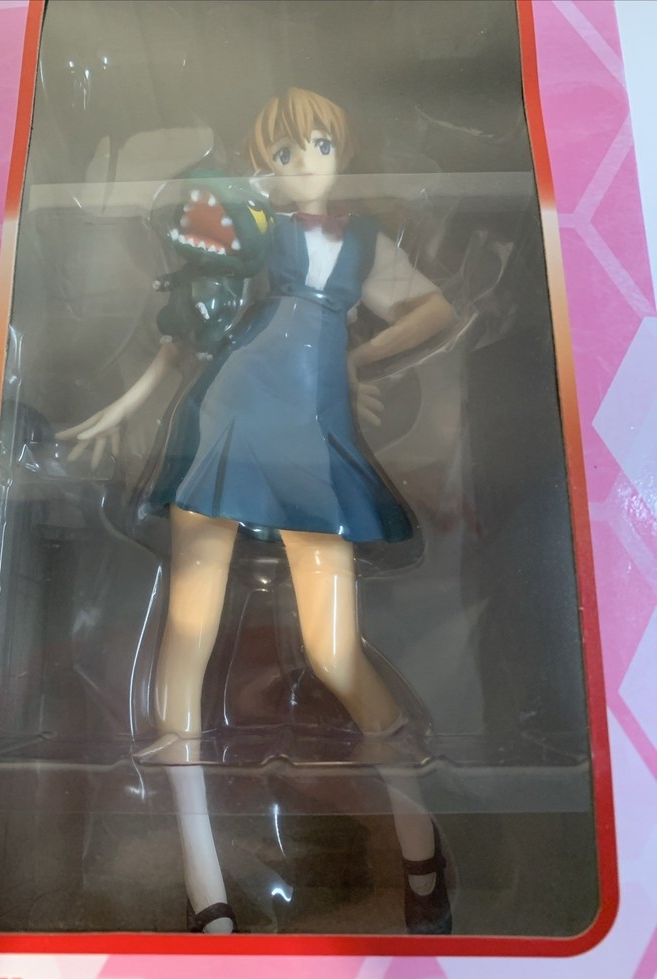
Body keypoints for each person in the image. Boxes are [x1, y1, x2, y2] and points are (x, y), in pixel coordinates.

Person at [59, 87, 455, 934]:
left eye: (320, 144)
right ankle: (204, 884)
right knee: (188, 637)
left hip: (313, 440)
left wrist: (358, 360)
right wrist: (124, 406)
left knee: (336, 653)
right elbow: (186, 332)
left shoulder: (364, 242)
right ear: (261, 165)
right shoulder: (253, 231)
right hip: (225, 421)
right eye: (284, 151)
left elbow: (436, 310)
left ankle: (421, 843)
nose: (305, 162)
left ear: (344, 150)